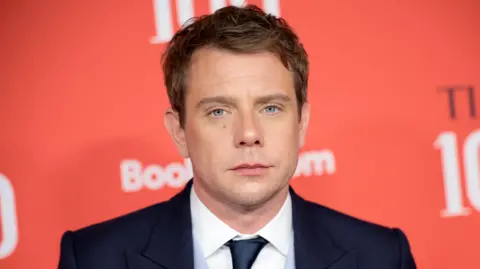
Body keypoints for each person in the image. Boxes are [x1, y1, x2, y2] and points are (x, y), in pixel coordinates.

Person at [58, 4, 416, 269]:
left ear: (302, 122)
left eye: (271, 108)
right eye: (219, 112)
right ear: (178, 131)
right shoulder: (94, 258)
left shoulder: (382, 257)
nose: (248, 134)